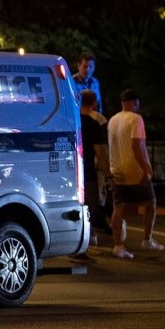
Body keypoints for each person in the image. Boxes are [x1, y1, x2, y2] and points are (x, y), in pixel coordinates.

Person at [107, 88, 162, 259]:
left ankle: (118, 245)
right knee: (150, 203)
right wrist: (145, 168)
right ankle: (147, 239)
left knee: (119, 207)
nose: (138, 105)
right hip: (134, 170)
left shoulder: (112, 120)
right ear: (133, 102)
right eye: (137, 102)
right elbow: (136, 145)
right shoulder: (136, 119)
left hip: (116, 169)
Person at [74, 89, 109, 260]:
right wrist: (108, 173)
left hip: (71, 171)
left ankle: (76, 244)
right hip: (87, 172)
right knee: (90, 208)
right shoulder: (92, 124)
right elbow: (100, 153)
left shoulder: (71, 120)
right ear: (94, 103)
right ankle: (82, 248)